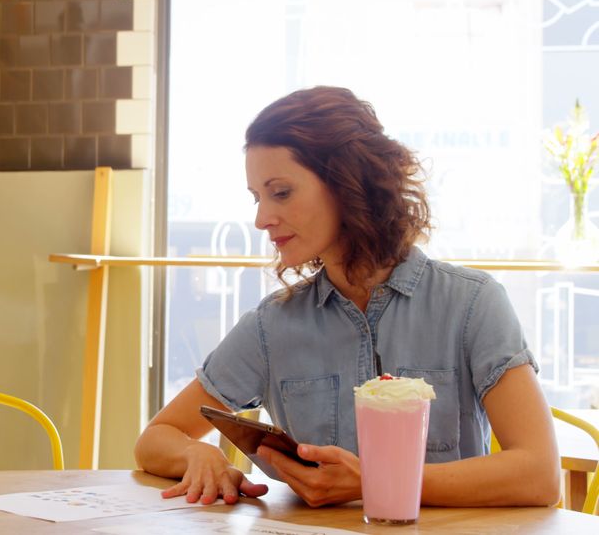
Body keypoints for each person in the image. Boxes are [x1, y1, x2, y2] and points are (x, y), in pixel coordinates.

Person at [134, 86, 560, 508]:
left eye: (280, 192)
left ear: (347, 182)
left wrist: (373, 482)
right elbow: (156, 437)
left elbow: (540, 474)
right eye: (256, 198)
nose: (262, 218)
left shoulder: (472, 305)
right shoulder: (272, 326)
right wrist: (198, 454)